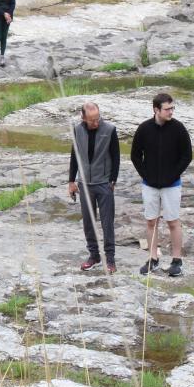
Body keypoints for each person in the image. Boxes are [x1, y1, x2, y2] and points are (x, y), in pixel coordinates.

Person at [131, 92, 193, 277]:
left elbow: (187, 155)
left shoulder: (179, 129)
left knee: (173, 222)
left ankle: (176, 260)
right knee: (151, 222)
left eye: (173, 108)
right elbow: (135, 156)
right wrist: (146, 175)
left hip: (172, 185)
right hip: (149, 184)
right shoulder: (144, 129)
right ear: (156, 109)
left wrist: (172, 175)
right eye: (167, 109)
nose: (171, 112)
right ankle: (153, 259)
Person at [68, 102, 120, 274]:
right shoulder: (77, 130)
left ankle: (110, 260)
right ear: (83, 117)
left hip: (104, 184)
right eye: (92, 120)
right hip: (84, 184)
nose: (96, 123)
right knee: (89, 223)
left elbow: (116, 156)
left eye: (97, 118)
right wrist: (71, 181)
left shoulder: (110, 129)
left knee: (107, 223)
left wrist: (112, 181)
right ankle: (94, 255)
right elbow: (74, 156)